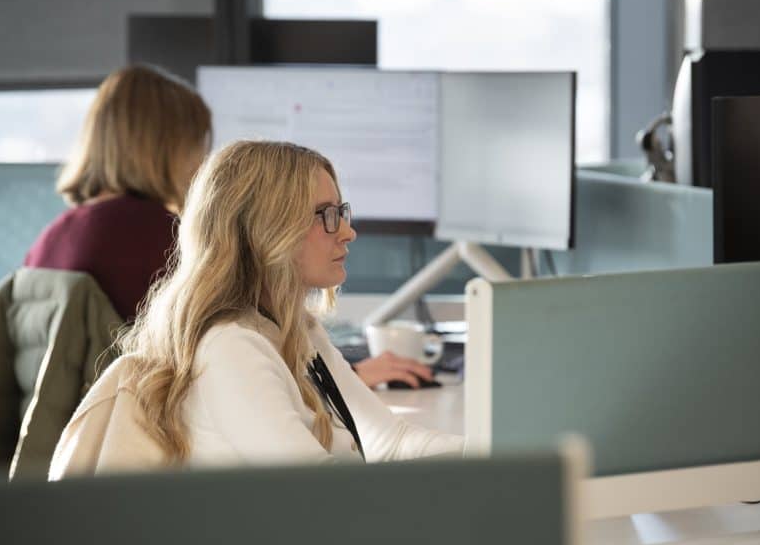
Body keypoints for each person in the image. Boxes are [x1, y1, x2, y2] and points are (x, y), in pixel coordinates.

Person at [49, 141, 463, 474]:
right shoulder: (231, 348)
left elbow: (389, 442)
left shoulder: (296, 331)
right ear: (266, 231)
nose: (347, 232)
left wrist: (495, 453)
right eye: (325, 215)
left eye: (341, 212)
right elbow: (321, 496)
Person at [24, 64, 212, 321]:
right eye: (196, 145)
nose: (203, 162)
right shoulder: (160, 237)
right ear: (166, 149)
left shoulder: (49, 240)